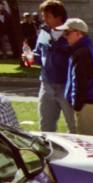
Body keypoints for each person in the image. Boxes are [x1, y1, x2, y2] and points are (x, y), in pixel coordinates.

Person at [30, 0, 75, 132]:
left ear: (59, 17)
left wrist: (55, 44)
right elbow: (39, 54)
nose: (44, 19)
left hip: (66, 86)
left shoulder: (70, 33)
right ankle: (49, 152)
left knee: (74, 126)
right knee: (46, 127)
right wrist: (31, 58)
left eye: (47, 16)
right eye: (43, 16)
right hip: (47, 84)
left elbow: (70, 54)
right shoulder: (43, 32)